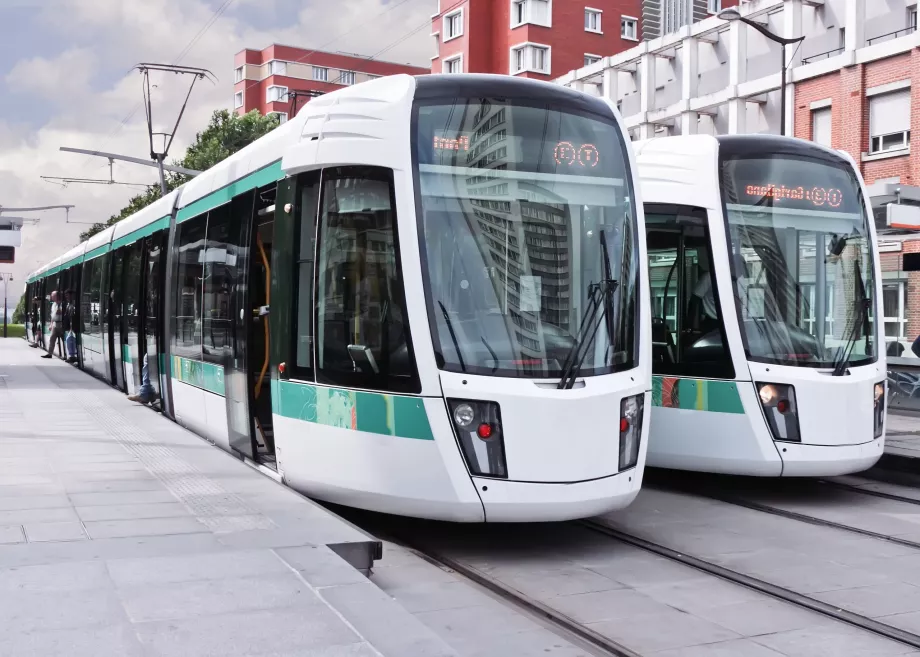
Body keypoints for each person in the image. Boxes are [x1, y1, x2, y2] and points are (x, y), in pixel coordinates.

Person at [41, 291, 63, 359]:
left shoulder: (62, 304)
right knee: (52, 339)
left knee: (63, 339)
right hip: (55, 324)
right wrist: (51, 324)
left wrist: (61, 312)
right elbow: (52, 316)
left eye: (53, 296)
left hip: (61, 323)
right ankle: (50, 353)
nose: (51, 297)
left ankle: (67, 355)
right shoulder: (53, 304)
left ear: (57, 296)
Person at [62, 289, 78, 363]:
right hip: (69, 326)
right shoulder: (69, 304)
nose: (66, 297)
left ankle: (72, 356)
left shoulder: (73, 305)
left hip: (73, 326)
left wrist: (71, 327)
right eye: (66, 295)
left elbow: (72, 316)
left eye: (68, 295)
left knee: (71, 340)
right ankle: (72, 355)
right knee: (70, 340)